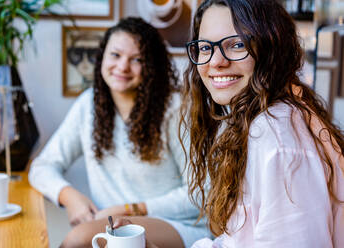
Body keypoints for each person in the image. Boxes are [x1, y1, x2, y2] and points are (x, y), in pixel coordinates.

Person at [114, 0, 344, 247]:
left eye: (236, 44)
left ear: (271, 48)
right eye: (205, 48)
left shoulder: (274, 133)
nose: (215, 62)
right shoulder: (257, 119)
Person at [28, 17, 211, 248]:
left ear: (152, 66)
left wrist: (132, 209)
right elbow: (42, 167)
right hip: (113, 224)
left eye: (137, 59)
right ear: (102, 56)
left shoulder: (175, 109)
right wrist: (69, 197)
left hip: (177, 224)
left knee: (78, 239)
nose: (123, 66)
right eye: (115, 55)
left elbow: (201, 193)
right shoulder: (88, 106)